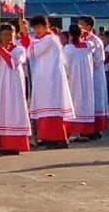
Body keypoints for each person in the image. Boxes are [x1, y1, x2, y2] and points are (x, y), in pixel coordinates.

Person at [28, 15, 74, 148]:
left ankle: (58, 138)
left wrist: (26, 37)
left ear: (46, 26)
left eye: (39, 27)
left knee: (53, 110)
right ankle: (48, 137)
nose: (37, 30)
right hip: (45, 77)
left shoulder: (49, 39)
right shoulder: (44, 39)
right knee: (46, 109)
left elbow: (33, 52)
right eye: (35, 28)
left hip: (52, 79)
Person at [0, 24, 31, 154]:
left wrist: (1, 50)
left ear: (14, 34)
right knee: (0, 110)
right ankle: (1, 143)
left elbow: (13, 63)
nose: (7, 37)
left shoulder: (19, 49)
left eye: (9, 34)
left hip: (13, 84)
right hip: (0, 82)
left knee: (13, 112)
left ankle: (14, 144)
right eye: (4, 35)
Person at [62, 24, 96, 140]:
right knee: (86, 103)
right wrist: (85, 34)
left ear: (70, 34)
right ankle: (85, 131)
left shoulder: (68, 49)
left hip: (73, 79)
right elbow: (93, 42)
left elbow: (65, 65)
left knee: (75, 103)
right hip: (86, 79)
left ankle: (74, 132)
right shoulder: (88, 45)